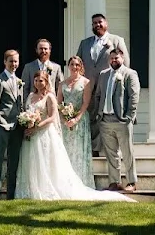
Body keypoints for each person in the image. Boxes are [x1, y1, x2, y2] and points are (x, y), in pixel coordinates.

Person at [14, 68, 133, 201]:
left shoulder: (50, 97)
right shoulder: (30, 96)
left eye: (41, 80)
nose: (38, 83)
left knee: (45, 163)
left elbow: (52, 117)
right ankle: (32, 189)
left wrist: (36, 127)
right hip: (30, 136)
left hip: (44, 133)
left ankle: (46, 189)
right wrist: (27, 122)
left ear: (46, 82)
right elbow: (27, 112)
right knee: (32, 161)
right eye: (36, 80)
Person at [75, 13, 128, 152]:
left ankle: (104, 148)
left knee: (104, 117)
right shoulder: (85, 43)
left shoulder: (116, 40)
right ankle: (91, 148)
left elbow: (125, 64)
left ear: (106, 23)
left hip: (108, 85)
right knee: (91, 116)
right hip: (88, 87)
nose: (97, 25)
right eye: (94, 23)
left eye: (100, 22)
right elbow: (78, 64)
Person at [93, 47, 141, 192]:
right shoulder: (103, 74)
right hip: (105, 120)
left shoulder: (129, 74)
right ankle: (114, 182)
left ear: (122, 58)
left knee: (127, 152)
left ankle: (132, 182)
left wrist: (129, 117)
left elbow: (134, 96)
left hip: (122, 120)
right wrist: (99, 114)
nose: (114, 60)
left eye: (116, 58)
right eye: (112, 58)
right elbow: (98, 95)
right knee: (111, 153)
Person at [0, 49, 25, 200]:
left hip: (17, 126)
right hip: (2, 125)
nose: (13, 64)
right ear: (5, 62)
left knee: (13, 162)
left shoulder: (19, 81)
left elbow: (20, 104)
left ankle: (11, 195)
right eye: (11, 61)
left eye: (16, 61)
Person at [58, 54, 93, 187]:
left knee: (78, 151)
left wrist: (76, 118)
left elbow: (86, 103)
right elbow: (58, 103)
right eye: (72, 64)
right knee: (66, 150)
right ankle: (66, 182)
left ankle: (81, 181)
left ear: (81, 66)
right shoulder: (62, 84)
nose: (74, 67)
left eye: (77, 65)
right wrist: (64, 119)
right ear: (68, 66)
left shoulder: (85, 82)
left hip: (80, 120)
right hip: (65, 122)